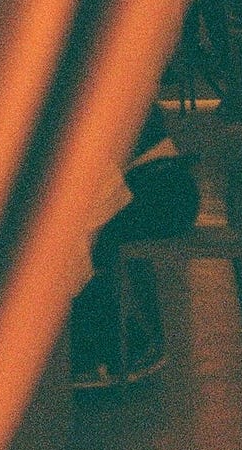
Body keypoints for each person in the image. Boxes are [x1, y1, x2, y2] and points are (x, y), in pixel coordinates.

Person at [69, 108, 200, 388]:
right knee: (84, 231)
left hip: (163, 189)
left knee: (84, 234)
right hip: (164, 184)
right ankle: (122, 345)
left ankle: (110, 350)